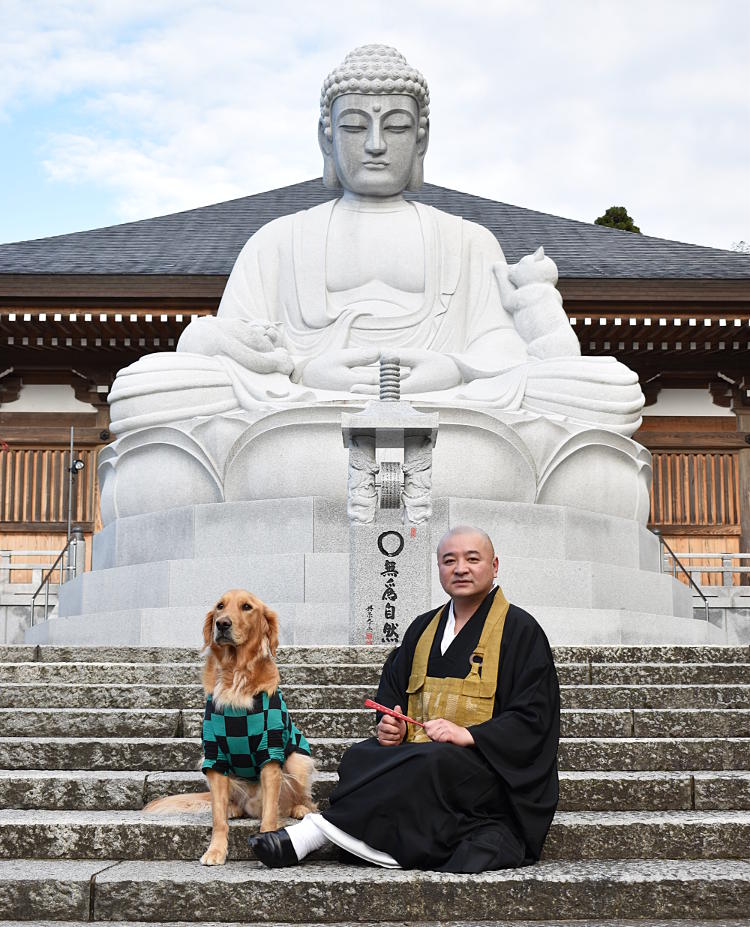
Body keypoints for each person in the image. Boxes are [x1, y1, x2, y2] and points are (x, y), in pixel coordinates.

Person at [108, 44, 643, 437]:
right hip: (296, 403)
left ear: (422, 137)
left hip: (447, 403)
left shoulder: (469, 240)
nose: (376, 145)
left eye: (397, 127)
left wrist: (453, 367)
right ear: (326, 136)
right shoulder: (276, 240)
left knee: (609, 387)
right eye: (355, 126)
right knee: (148, 385)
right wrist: (298, 366)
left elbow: (503, 348)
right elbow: (234, 344)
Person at [248, 525, 560, 873]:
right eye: (449, 560)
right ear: (439, 568)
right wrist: (390, 724)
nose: (460, 568)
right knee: (360, 756)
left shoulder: (521, 630)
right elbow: (393, 690)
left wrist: (471, 735)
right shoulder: (424, 628)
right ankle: (368, 839)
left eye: (473, 559)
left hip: (483, 766)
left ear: (495, 565)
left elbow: (535, 715)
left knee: (434, 762)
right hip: (420, 753)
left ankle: (314, 833)